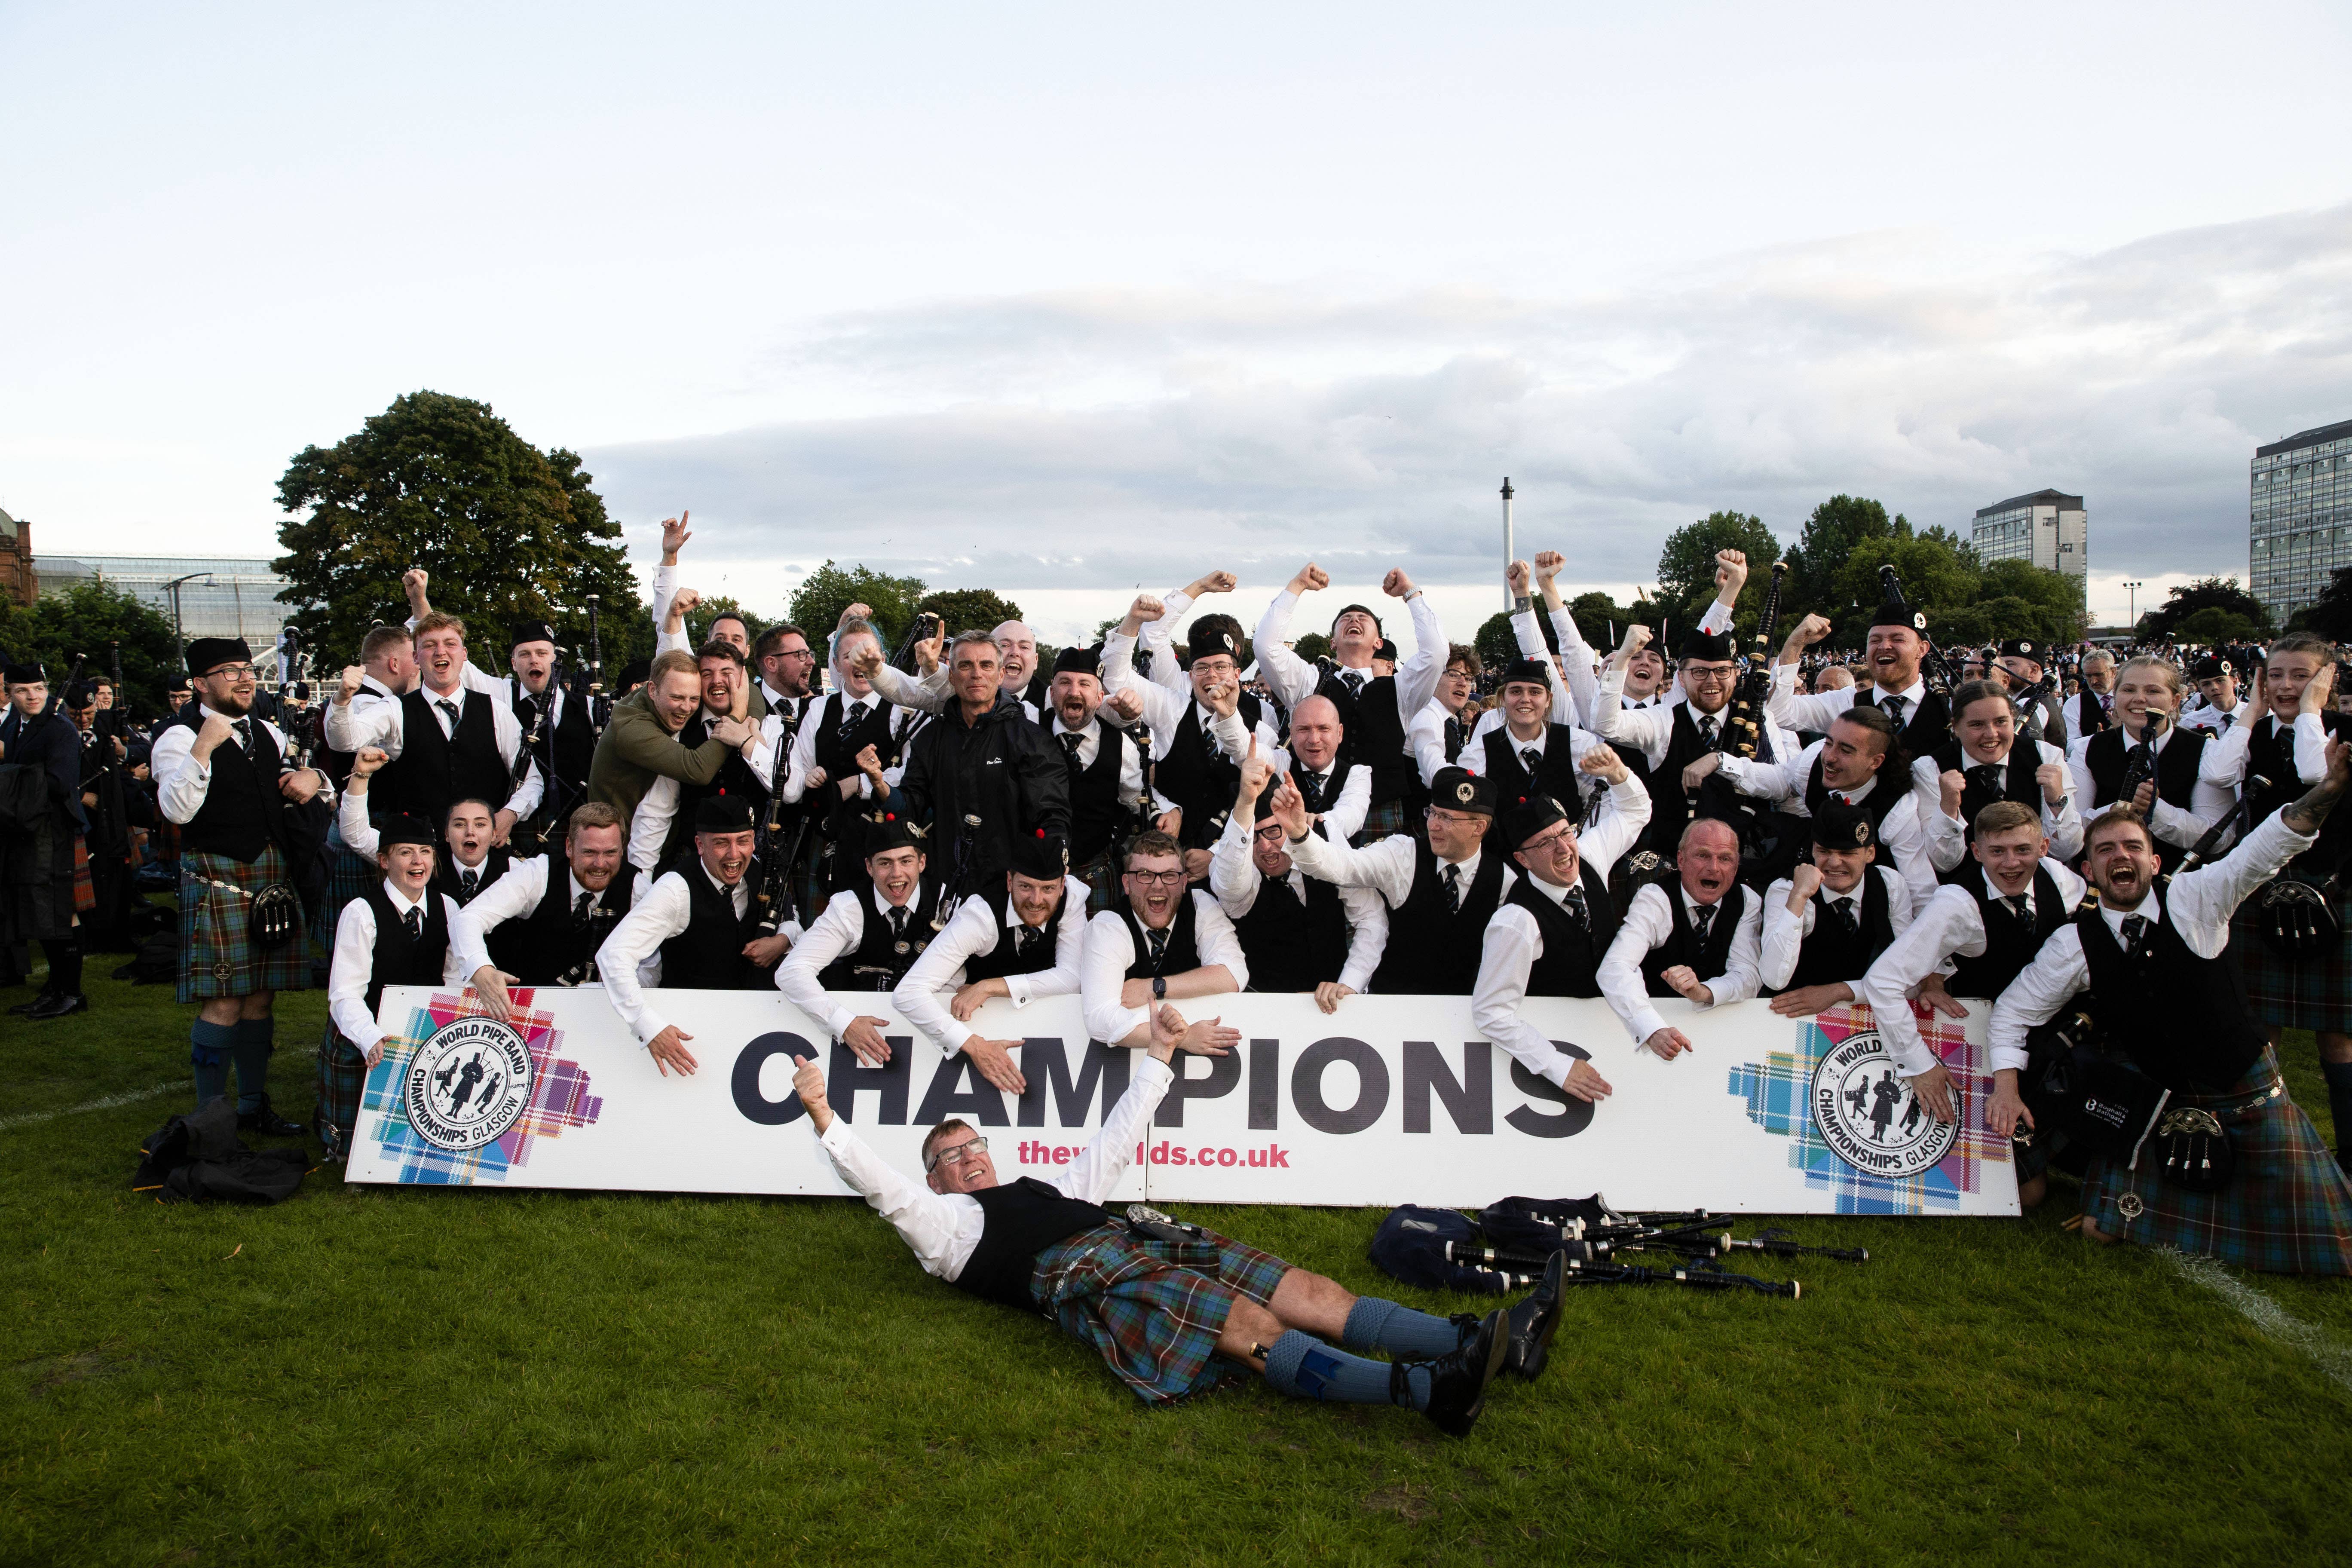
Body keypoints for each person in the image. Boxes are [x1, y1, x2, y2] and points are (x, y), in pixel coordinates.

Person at [786, 1012, 1540, 1433]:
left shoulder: (1040, 1184)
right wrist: (823, 1111)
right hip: (1090, 1277)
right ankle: (1425, 1391)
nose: (968, 1160)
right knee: (1247, 1324)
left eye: (973, 1146)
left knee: (1303, 1287)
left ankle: (1479, 1339)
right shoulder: (945, 1225)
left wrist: (1161, 1051)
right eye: (949, 1155)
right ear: (936, 1177)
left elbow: (1113, 1141)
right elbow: (883, 1189)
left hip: (1137, 1238)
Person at [1990, 760, 2352, 1273]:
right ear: (2089, 871)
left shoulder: (2198, 898)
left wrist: (2332, 788)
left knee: (2334, 1243)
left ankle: (2218, 1210)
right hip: (2161, 1098)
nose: (2122, 857)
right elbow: (2012, 1013)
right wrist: (2006, 1087)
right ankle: (2196, 1210)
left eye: (2133, 847)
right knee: (2099, 1230)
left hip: (2242, 1085)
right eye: (2106, 850)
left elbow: (2269, 847)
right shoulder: (2075, 944)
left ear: (2155, 862)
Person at [149, 639, 333, 1133]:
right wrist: (205, 744)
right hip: (218, 879)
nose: (245, 679)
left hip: (272, 879)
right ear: (200, 684)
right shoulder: (175, 738)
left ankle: (253, 1106)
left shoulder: (269, 732)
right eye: (229, 672)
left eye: (247, 669)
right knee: (225, 1000)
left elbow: (300, 782)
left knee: (260, 998)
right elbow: (176, 809)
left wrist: (314, 777)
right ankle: (211, 1116)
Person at [2202, 638, 2352, 1164]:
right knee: (2262, 1031)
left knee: (2340, 1040)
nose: (2288, 687)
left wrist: (2311, 710)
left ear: (2326, 680)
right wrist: (2251, 710)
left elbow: (2317, 776)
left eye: (2302, 677)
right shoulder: (2250, 731)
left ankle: (2349, 1158)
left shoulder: (2340, 730)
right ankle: (2274, 1151)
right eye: (2278, 676)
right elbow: (2217, 775)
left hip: (2332, 893)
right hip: (2261, 892)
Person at [1856, 800, 2086, 1136]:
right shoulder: (1956, 904)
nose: (2011, 864)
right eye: (1997, 852)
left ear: (2044, 847)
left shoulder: (2059, 878)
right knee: (2016, 1171)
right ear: (1976, 851)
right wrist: (1920, 1064)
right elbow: (1882, 981)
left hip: (2055, 1029)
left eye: (2023, 849)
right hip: (1986, 1038)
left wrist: (1938, 970)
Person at [315, 814, 499, 1160]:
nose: (419, 862)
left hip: (423, 1029)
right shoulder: (361, 912)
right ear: (384, 861)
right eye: (406, 853)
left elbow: (453, 978)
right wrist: (371, 1038)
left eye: (426, 852)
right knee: (353, 1151)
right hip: (366, 1032)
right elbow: (344, 993)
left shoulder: (448, 907)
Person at [1469, 758, 1654, 1094]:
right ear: (1523, 860)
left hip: (1617, 1036)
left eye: (1565, 833)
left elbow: (1635, 812)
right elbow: (1491, 1012)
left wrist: (1617, 773)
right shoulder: (1515, 922)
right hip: (1556, 1051)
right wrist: (1557, 1065)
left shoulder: (1591, 857)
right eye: (1545, 843)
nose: (1564, 848)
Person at [1252, 562, 1447, 842]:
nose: (1354, 621)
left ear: (1379, 642)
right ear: (1332, 642)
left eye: (1363, 619)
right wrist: (1297, 586)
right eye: (1346, 619)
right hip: (1310, 809)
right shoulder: (1310, 682)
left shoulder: (1402, 689)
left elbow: (1437, 652)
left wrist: (1410, 592)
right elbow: (1265, 646)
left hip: (1379, 814)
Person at [1277, 767, 1515, 995]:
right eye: (1432, 812)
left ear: (1479, 827)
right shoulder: (1403, 854)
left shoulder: (1505, 882)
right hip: (1391, 1011)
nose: (1433, 825)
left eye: (1447, 818)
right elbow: (1344, 866)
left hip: (1463, 1023)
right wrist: (1300, 832)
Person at [879, 630, 1071, 900]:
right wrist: (880, 785)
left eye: (986, 665)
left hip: (1010, 888)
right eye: (966, 665)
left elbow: (1051, 814)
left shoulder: (1031, 738)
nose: (976, 674)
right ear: (952, 675)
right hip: (944, 884)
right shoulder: (932, 737)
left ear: (1001, 675)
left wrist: (1051, 861)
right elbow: (913, 804)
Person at [891, 830, 1089, 1093]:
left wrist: (989, 987)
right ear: (1009, 882)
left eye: (1049, 889)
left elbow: (1074, 977)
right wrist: (976, 1047)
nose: (1037, 900)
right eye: (1025, 886)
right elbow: (907, 994)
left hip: (1044, 1033)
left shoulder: (1072, 899)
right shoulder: (980, 916)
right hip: (975, 1029)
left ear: (1063, 886)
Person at [595, 795, 778, 1078]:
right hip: (688, 1037)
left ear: (754, 840)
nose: (734, 854)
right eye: (721, 843)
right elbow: (613, 956)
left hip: (749, 1028)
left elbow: (792, 920)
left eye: (743, 841)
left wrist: (783, 940)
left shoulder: (759, 872)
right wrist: (649, 1026)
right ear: (700, 845)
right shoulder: (674, 891)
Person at [1694, 704, 1938, 911]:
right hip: (1807, 886)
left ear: (1876, 761)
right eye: (1829, 743)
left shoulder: (1898, 811)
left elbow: (1920, 891)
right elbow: (1784, 781)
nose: (1830, 757)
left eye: (1846, 750)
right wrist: (1721, 760)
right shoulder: (1814, 760)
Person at [326, 612, 542, 841]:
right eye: (430, 645)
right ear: (416, 658)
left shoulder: (496, 711)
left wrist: (510, 814)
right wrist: (342, 700)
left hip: (486, 854)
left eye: (451, 644)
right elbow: (345, 740)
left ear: (464, 654)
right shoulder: (394, 709)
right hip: (420, 859)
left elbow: (533, 780)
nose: (441, 651)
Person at [1102, 597, 1278, 875]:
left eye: (1221, 667)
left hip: (1234, 868)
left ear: (1236, 673)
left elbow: (1264, 801)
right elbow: (1115, 679)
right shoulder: (1171, 708)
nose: (1211, 676)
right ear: (1191, 674)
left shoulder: (1263, 731)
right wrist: (1132, 622)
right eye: (1202, 668)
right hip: (1167, 866)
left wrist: (1216, 856)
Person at [1213, 747, 1390, 1008]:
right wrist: (1245, 806)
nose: (1263, 847)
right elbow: (1230, 890)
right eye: (1253, 837)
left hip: (1332, 1002)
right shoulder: (1230, 859)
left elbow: (1370, 917)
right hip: (1264, 1006)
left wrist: (1349, 984)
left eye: (1274, 831)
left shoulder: (1324, 835)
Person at [777, 812, 943, 1067]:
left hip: (926, 1039)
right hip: (857, 1041)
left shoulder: (947, 903)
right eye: (885, 863)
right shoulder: (849, 907)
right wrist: (844, 1024)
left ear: (922, 863)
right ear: (869, 867)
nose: (896, 874)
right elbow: (791, 972)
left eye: (906, 861)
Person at [1596, 818, 1764, 1059]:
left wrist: (1704, 992)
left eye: (1725, 859)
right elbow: (1614, 967)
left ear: (1736, 868)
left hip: (1720, 1033)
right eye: (1703, 855)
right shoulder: (1655, 898)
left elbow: (1748, 976)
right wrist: (1652, 1028)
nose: (1714, 868)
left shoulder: (1747, 900)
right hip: (1655, 1033)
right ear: (1682, 860)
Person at [443, 801, 647, 991]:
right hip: (534, 1010)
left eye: (610, 853)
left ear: (622, 849)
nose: (600, 864)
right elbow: (466, 919)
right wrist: (482, 970)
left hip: (607, 1008)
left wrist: (599, 993)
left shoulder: (638, 889)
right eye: (589, 853)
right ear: (569, 847)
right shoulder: (539, 873)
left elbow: (649, 970)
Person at [781, 615, 918, 894]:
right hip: (825, 838)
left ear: (882, 659)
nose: (859, 664)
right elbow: (801, 765)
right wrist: (811, 777)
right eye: (849, 656)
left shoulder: (902, 711)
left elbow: (910, 773)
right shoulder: (818, 710)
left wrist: (861, 784)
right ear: (836, 664)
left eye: (867, 655)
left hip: (884, 842)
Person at [2066, 655, 2231, 876]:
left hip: (2179, 883)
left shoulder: (2207, 751)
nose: (2139, 699)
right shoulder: (2087, 748)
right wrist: (2117, 810)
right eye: (2129, 690)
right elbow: (2074, 830)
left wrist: (2156, 811)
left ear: (2175, 701)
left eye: (2153, 691)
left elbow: (2219, 838)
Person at [1080, 829, 1246, 1047]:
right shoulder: (1108, 925)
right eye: (1145, 875)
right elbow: (1099, 1018)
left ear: (1184, 882)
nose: (1158, 885)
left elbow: (1234, 974)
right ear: (1127, 884)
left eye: (1169, 875)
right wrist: (1183, 1038)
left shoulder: (1200, 905)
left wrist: (1155, 987)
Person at [628, 639, 778, 874]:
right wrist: (640, 878)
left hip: (755, 865)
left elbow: (789, 791)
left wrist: (749, 741)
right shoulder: (679, 730)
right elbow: (657, 810)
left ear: (743, 679)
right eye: (707, 674)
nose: (718, 681)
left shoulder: (769, 725)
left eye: (727, 673)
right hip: (692, 865)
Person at [1757, 802, 1914, 1017]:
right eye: (1823, 851)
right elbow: (1773, 979)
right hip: (1794, 1018)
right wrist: (1799, 897)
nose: (1833, 862)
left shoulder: (1889, 884)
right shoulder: (1785, 889)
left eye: (1847, 853)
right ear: (1813, 849)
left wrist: (1839, 991)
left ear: (1870, 853)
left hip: (1866, 1012)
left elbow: (1909, 977)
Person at [1769, 578, 1951, 763]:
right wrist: (1794, 645)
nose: (1884, 646)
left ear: (1922, 649)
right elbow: (1778, 712)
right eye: (1875, 640)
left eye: (1898, 639)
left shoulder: (1949, 707)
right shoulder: (1846, 702)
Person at [1916, 679, 2082, 876]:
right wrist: (1948, 810)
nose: (1991, 734)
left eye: (2001, 722)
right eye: (1977, 725)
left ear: (2013, 719)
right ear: (1956, 728)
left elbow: (2066, 851)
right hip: (1968, 892)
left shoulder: (2046, 757)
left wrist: (2056, 800)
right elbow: (1944, 863)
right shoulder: (1930, 768)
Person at [0, 662, 89, 1020]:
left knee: (61, 912)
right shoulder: (14, 727)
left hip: (57, 830)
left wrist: (9, 779)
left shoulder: (59, 729)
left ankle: (72, 993)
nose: (32, 696)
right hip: (30, 831)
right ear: (10, 693)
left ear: (46, 687)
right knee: (42, 912)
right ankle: (54, 989)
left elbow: (60, 783)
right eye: (22, 690)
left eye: (38, 688)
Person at [584, 648, 756, 831]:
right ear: (652, 690)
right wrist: (736, 716)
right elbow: (698, 770)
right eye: (677, 698)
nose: (687, 708)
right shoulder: (631, 728)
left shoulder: (664, 695)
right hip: (623, 848)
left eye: (695, 699)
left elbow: (751, 693)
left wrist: (753, 722)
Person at [1040, 645, 1148, 911]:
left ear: (1099, 697)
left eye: (1084, 684)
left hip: (1095, 870)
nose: (1074, 692)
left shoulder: (1121, 746)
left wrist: (1163, 811)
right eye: (1064, 682)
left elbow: (1136, 799)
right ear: (1052, 693)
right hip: (1035, 872)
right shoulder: (1029, 731)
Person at [338, 749, 510, 906]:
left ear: (494, 833)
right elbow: (356, 834)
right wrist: (362, 775)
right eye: (459, 824)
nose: (470, 832)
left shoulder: (514, 870)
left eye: (480, 824)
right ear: (447, 834)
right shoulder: (421, 858)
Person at [504, 620, 597, 844]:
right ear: (514, 664)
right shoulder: (502, 706)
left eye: (542, 653)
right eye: (525, 654)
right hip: (523, 826)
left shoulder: (589, 707)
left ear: (554, 659)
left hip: (584, 824)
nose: (534, 660)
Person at [1408, 644, 1482, 786]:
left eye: (1468, 678)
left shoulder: (1448, 720)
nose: (1463, 683)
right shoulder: (1427, 715)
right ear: (1433, 678)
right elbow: (1434, 774)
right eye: (1454, 675)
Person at [2065, 650, 2118, 746]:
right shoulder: (2074, 703)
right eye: (2088, 676)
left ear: (2113, 672)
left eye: (2099, 675)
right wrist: (2096, 740)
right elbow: (2069, 744)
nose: (2093, 681)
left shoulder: (2129, 698)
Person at [2181, 656, 2243, 734]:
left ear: (2234, 682)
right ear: (2201, 689)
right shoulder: (2191, 722)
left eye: (2220, 681)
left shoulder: (2256, 714)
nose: (2214, 688)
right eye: (2206, 684)